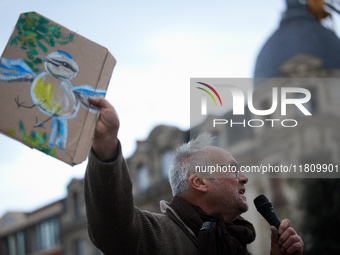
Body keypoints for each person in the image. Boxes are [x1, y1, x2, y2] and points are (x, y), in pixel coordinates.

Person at [84, 97, 304, 255]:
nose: (244, 177)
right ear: (199, 182)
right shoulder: (158, 236)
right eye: (233, 170)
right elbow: (112, 225)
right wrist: (106, 149)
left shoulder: (236, 243)